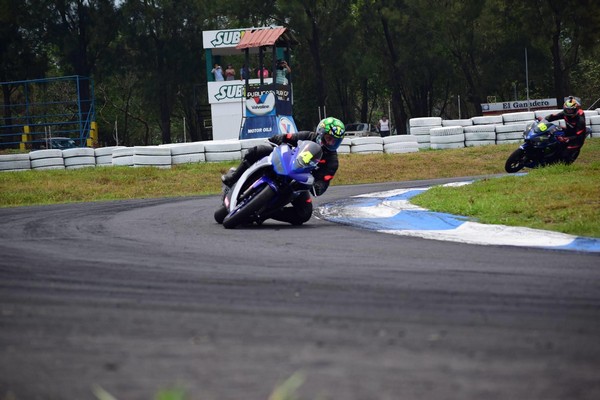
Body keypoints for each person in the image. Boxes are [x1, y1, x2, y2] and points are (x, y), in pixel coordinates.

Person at [221, 117, 346, 225]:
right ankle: (233, 178)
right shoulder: (308, 136)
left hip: (298, 182)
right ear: (320, 133)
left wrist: (317, 186)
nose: (330, 143)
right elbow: (288, 137)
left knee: (304, 214)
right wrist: (279, 139)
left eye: (335, 141)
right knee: (256, 151)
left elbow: (324, 181)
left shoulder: (332, 162)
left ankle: (267, 213)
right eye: (328, 138)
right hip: (283, 162)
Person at [542, 96, 588, 163]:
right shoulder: (565, 113)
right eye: (567, 109)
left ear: (576, 109)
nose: (569, 111)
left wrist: (566, 139)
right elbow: (554, 116)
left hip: (577, 139)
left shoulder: (580, 120)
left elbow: (579, 136)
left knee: (564, 156)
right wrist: (544, 119)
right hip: (568, 132)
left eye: (571, 110)